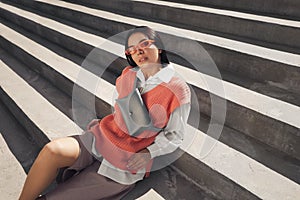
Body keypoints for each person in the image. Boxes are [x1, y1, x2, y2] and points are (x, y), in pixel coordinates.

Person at [19, 26, 191, 200]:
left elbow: (175, 135)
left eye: (144, 44)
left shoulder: (177, 88)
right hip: (102, 136)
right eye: (131, 50)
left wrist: (149, 153)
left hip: (127, 158)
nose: (138, 52)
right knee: (52, 151)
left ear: (159, 47)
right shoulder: (128, 75)